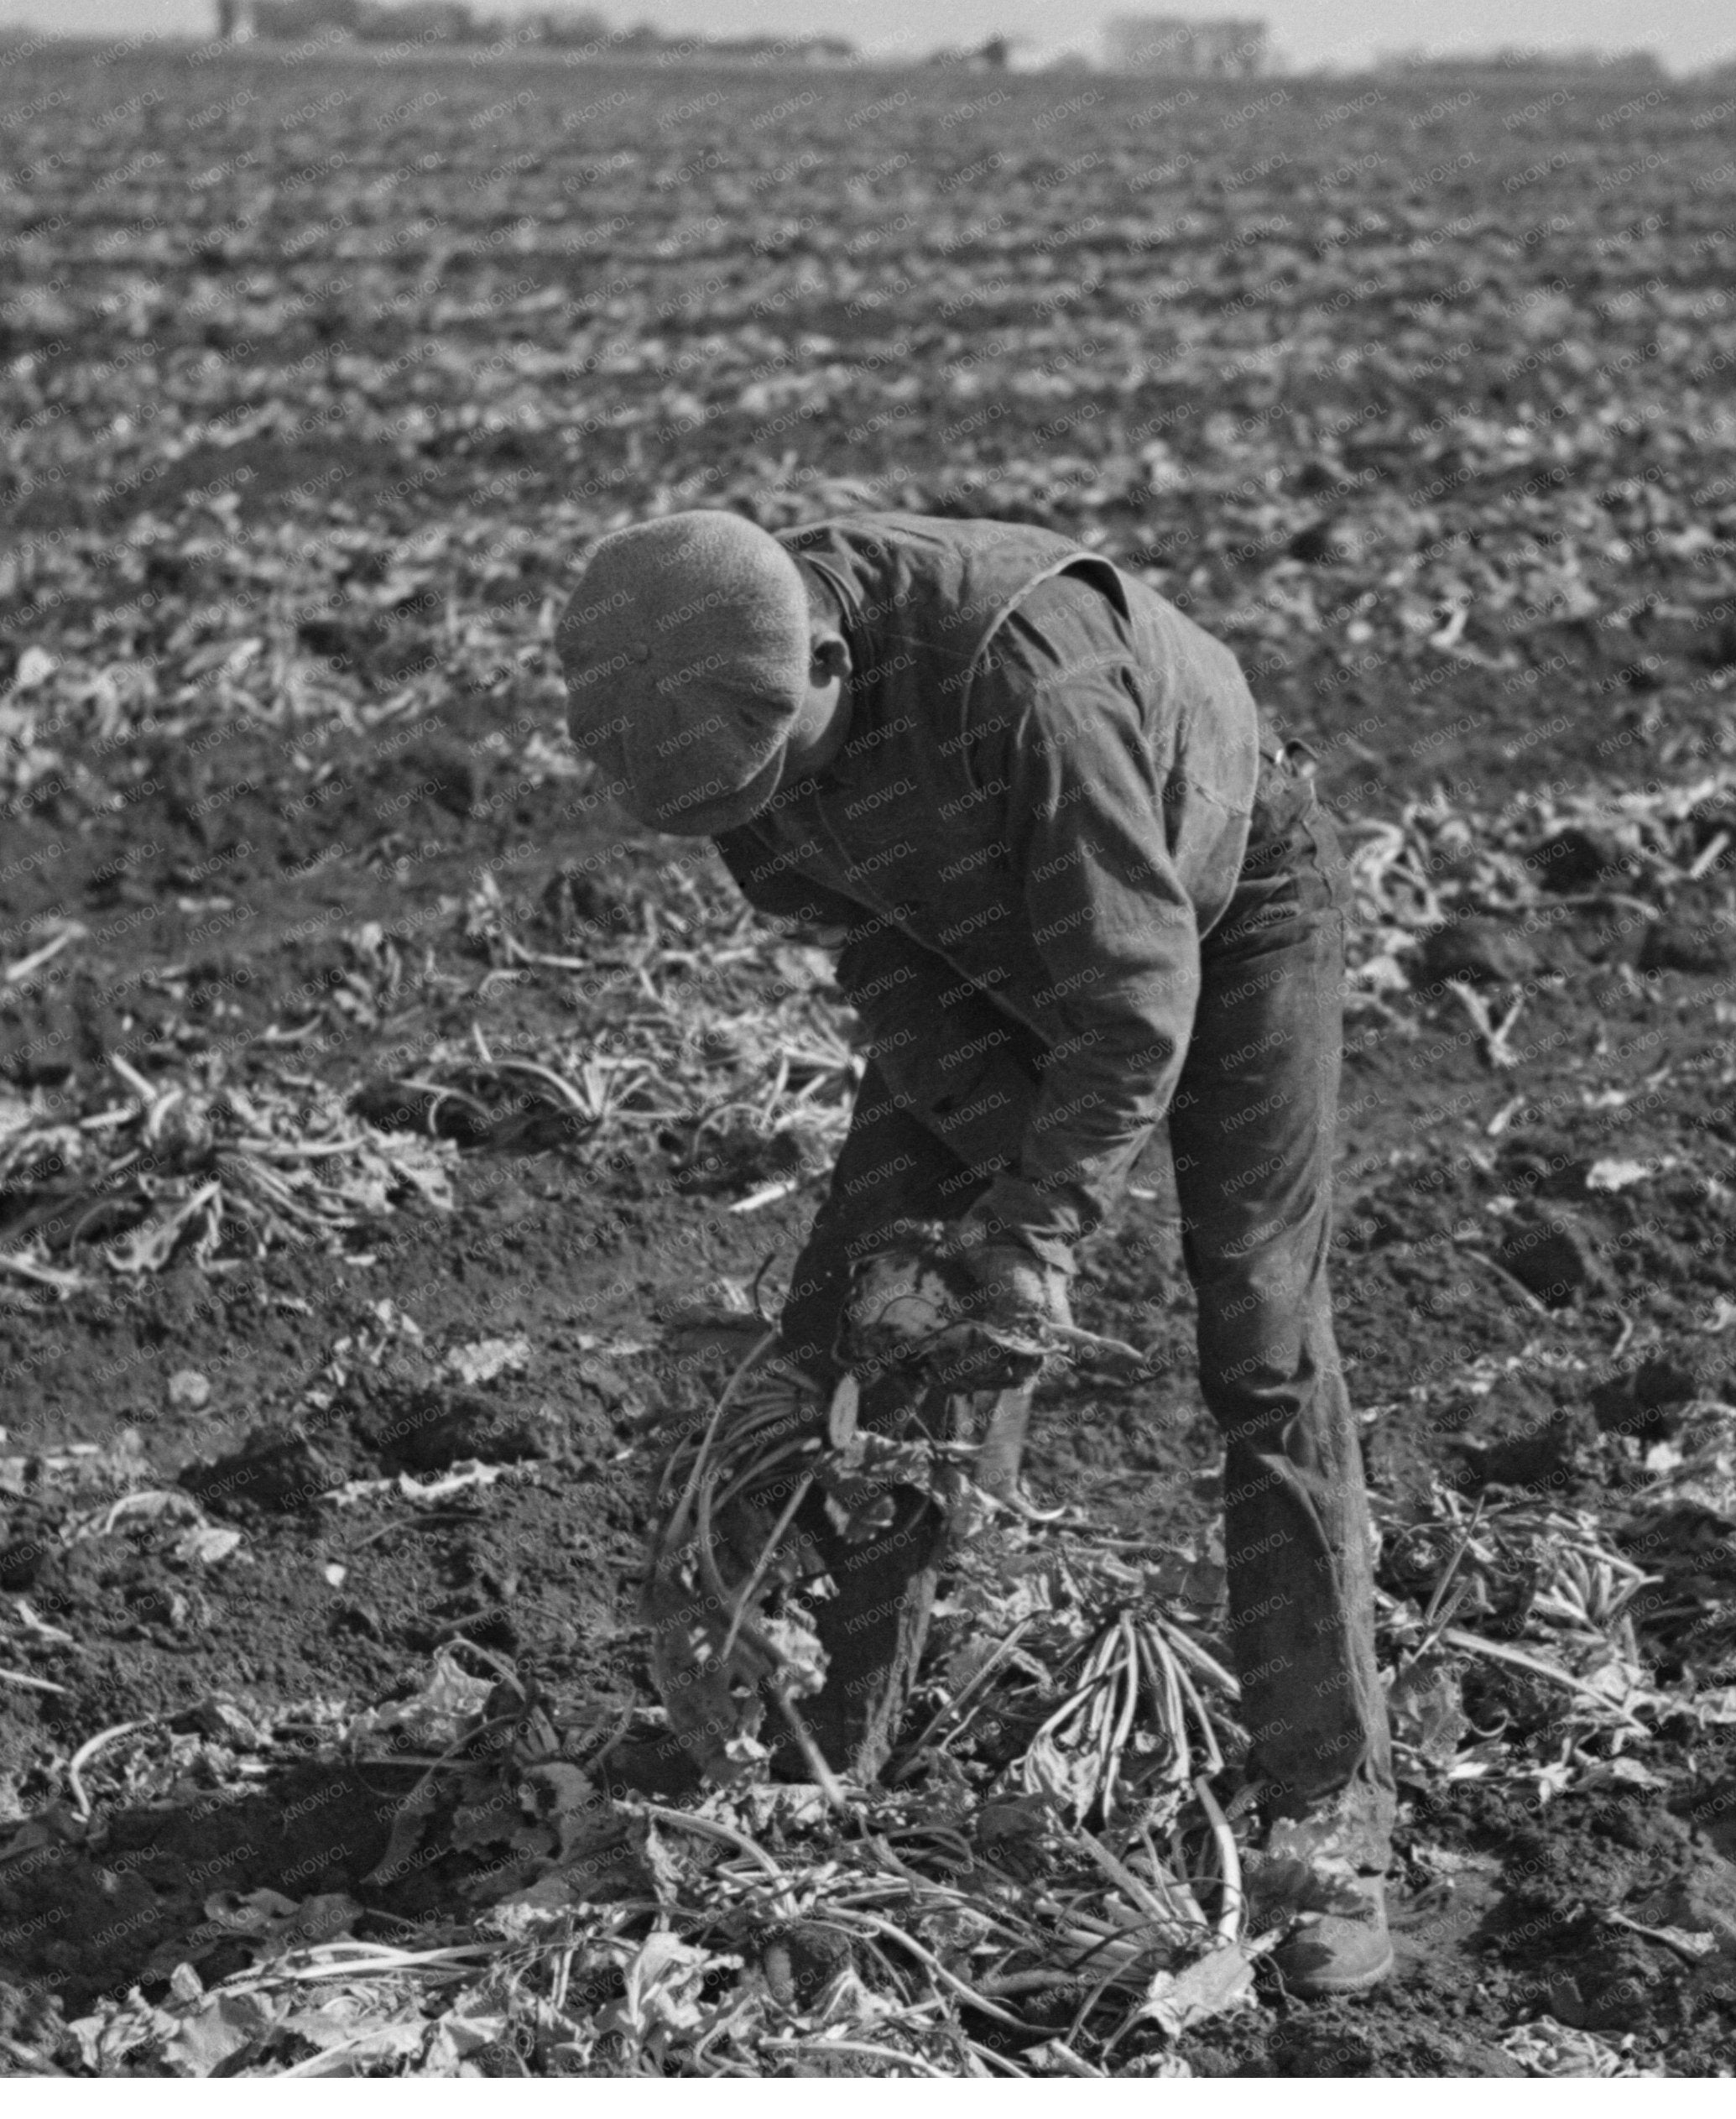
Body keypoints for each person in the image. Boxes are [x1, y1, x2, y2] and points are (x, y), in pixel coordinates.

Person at [558, 509, 1396, 1996]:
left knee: (1259, 1337)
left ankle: (1330, 1806)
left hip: (1221, 908)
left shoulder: (1020, 674)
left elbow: (1134, 1003)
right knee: (875, 1328)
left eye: (772, 782)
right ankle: (831, 1757)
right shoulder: (720, 727)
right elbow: (876, 945)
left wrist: (1040, 1234)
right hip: (966, 956)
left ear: (831, 655)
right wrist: (945, 1265)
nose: (756, 822)